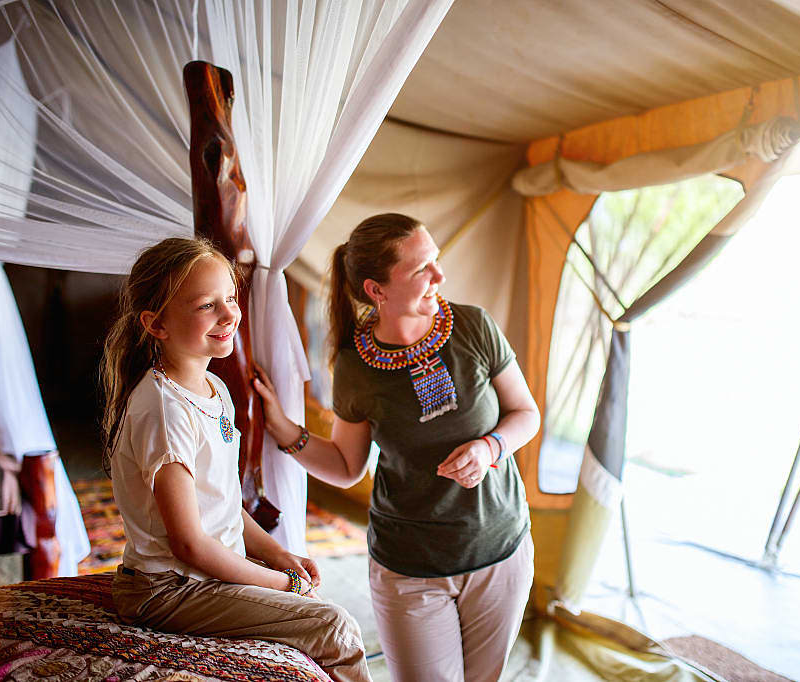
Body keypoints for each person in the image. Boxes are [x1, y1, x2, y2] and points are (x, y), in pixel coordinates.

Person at [254, 213, 540, 682]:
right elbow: (348, 466)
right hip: (410, 567)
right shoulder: (354, 367)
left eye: (436, 261)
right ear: (376, 290)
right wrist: (285, 431)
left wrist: (490, 448)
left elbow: (526, 414)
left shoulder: (474, 327)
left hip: (501, 551)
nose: (439, 277)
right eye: (420, 269)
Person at [99, 237, 371, 682]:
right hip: (168, 589)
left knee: (315, 605)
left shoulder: (215, 390)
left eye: (230, 298)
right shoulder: (165, 411)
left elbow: (223, 504)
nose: (229, 315)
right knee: (332, 626)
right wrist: (285, 586)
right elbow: (188, 544)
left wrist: (281, 556)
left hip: (200, 576)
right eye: (207, 305)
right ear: (157, 324)